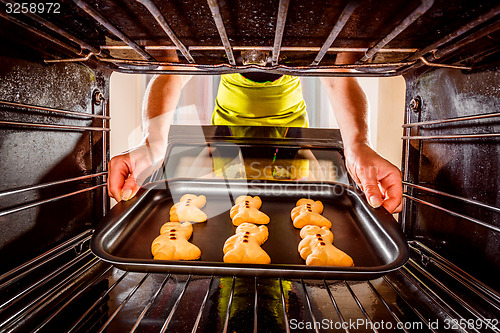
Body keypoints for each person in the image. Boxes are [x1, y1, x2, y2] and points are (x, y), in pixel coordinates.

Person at [107, 52, 403, 213]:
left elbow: (339, 73)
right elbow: (173, 66)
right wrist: (153, 142)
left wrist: (357, 145)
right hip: (226, 130)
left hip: (291, 132)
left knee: (288, 210)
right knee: (222, 209)